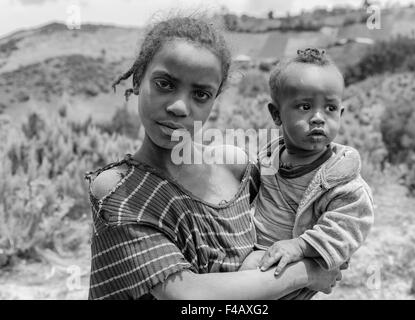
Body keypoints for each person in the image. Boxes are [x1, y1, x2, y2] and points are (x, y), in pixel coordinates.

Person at [85, 17, 343, 300]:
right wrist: (307, 272)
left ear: (215, 98)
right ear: (138, 81)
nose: (179, 107)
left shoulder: (235, 167)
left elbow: (303, 197)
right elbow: (186, 295)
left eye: (201, 94)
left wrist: (324, 246)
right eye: (165, 84)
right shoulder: (118, 190)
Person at [240, 48, 374, 299]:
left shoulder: (341, 180)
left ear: (341, 114)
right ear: (276, 114)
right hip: (254, 255)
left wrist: (300, 246)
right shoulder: (269, 158)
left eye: (331, 108)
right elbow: (245, 193)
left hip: (293, 271)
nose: (318, 118)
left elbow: (347, 227)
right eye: (305, 106)